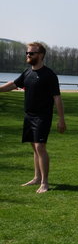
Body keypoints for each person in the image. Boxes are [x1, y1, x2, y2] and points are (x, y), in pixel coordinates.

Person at [0, 42, 66, 193]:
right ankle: (36, 178)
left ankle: (45, 182)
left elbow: (57, 98)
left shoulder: (49, 75)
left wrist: (61, 119)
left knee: (40, 147)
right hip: (29, 116)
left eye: (31, 53)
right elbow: (13, 85)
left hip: (42, 117)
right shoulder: (27, 73)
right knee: (34, 148)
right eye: (27, 53)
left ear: (41, 55)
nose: (28, 55)